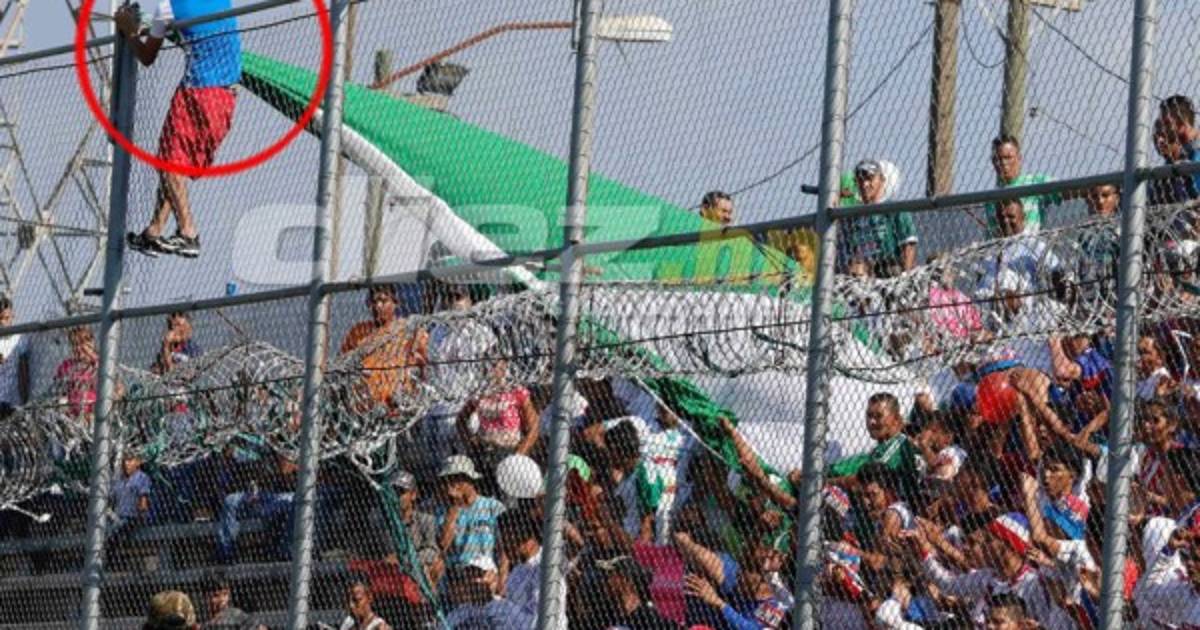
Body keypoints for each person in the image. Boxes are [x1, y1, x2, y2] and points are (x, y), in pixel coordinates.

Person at [116, 0, 243, 259]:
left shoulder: (167, 8)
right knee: (174, 162)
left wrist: (129, 32)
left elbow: (147, 56)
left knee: (169, 164)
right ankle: (154, 231)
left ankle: (188, 232)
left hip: (197, 92)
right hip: (225, 98)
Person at [340, 285, 426, 411]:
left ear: (395, 302)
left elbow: (424, 367)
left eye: (383, 300)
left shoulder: (409, 331)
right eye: (373, 302)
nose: (378, 306)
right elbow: (343, 364)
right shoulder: (358, 332)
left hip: (399, 405)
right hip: (365, 406)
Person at [837, 159, 918, 277]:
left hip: (887, 267)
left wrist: (905, 275)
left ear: (882, 180)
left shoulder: (894, 210)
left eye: (869, 178)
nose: (864, 184)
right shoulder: (855, 216)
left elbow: (909, 244)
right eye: (860, 180)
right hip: (863, 270)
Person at [986, 135, 1070, 237]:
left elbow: (1068, 190)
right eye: (998, 159)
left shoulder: (1035, 182)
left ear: (1019, 158)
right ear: (993, 162)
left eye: (1008, 158)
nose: (1003, 163)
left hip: (1030, 243)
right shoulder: (991, 198)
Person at [436, 455, 505, 568]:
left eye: (457, 478)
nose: (452, 484)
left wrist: (501, 576)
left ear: (470, 480)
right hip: (456, 569)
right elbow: (443, 545)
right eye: (448, 479)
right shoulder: (444, 511)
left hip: (486, 568)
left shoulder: (493, 506)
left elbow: (504, 550)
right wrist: (455, 506)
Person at [53, 325, 99, 421]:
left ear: (91, 343)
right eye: (74, 344)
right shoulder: (66, 366)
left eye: (82, 343)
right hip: (71, 416)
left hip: (94, 414)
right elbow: (58, 391)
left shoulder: (101, 364)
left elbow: (118, 389)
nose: (78, 348)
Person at [201, 572, 266, 629]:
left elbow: (261, 628)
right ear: (205, 597)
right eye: (216, 595)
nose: (222, 599)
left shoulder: (237, 616)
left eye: (225, 594)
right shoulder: (198, 617)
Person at [0, 295, 29, 417]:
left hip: (13, 399)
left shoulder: (19, 339)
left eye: (6, 318)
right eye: (1, 319)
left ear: (13, 316)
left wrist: (24, 398)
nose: (3, 323)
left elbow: (23, 370)